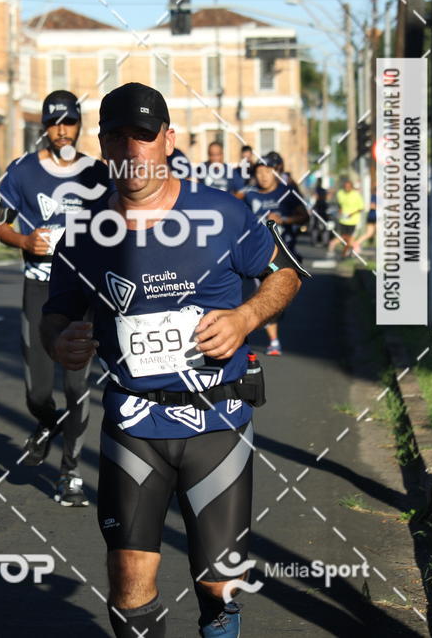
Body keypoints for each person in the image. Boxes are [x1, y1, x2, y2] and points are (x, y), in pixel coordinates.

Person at [41, 82, 305, 638]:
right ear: (103, 146)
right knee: (129, 581)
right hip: (133, 423)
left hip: (218, 421)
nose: (131, 149)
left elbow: (285, 275)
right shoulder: (84, 230)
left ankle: (219, 616)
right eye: (117, 137)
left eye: (143, 135)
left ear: (168, 139)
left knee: (220, 584)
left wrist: (245, 317)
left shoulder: (222, 213)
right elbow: (55, 314)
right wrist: (59, 341)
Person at [0, 90, 110, 506]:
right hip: (39, 287)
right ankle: (46, 421)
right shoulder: (22, 171)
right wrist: (25, 240)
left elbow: (117, 225)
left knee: (77, 385)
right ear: (44, 127)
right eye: (54, 123)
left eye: (69, 122)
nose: (62, 131)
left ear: (79, 125)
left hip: (82, 291)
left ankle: (70, 473)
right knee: (37, 391)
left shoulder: (96, 173)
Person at [243, 158, 309, 356]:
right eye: (259, 172)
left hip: (286, 254)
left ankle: (276, 310)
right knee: (264, 292)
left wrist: (284, 219)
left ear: (275, 173)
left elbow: (305, 217)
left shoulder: (286, 193)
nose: (263, 176)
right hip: (260, 254)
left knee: (280, 294)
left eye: (267, 171)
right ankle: (274, 341)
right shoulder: (250, 195)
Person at [327, 178, 364, 259]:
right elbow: (339, 204)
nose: (347, 188)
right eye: (345, 187)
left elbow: (361, 208)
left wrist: (352, 214)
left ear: (351, 187)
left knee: (349, 238)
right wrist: (340, 210)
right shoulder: (340, 193)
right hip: (343, 220)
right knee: (344, 237)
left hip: (353, 220)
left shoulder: (356, 195)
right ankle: (348, 250)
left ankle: (344, 252)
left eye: (348, 187)